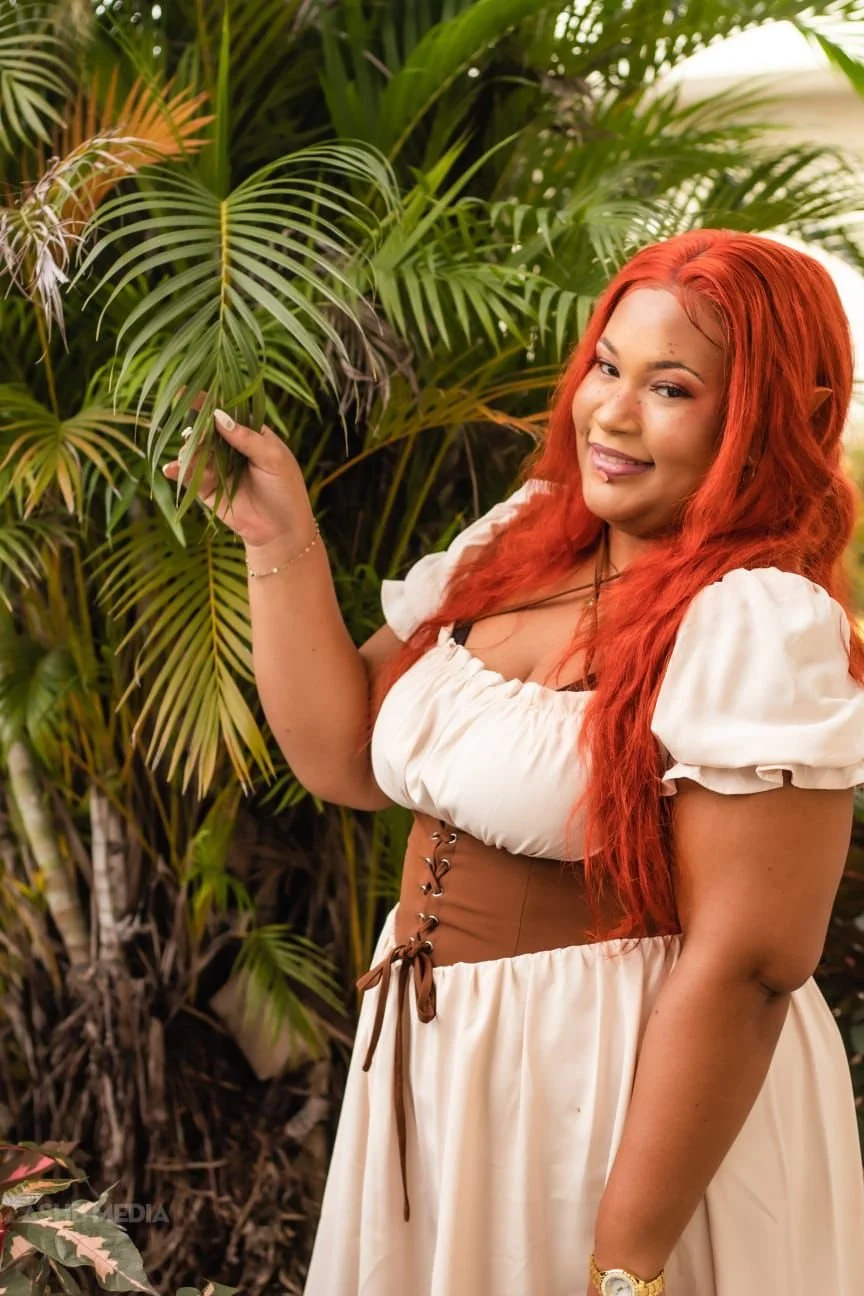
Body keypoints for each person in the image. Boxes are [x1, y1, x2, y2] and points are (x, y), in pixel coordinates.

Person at [164, 228, 864, 1296]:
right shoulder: (531, 536)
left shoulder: (758, 623)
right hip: (454, 1069)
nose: (612, 414)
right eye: (608, 366)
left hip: (615, 1098)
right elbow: (346, 755)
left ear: (768, 420)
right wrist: (275, 533)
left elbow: (752, 964)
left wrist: (625, 1260)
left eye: (671, 389)